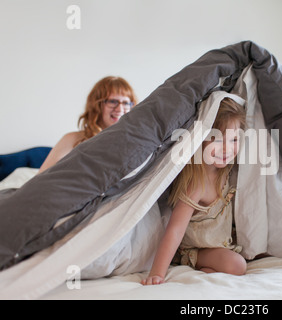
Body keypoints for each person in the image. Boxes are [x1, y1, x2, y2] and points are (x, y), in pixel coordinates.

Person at [141, 97, 247, 285]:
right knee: (237, 265)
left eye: (234, 139)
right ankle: (193, 262)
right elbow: (175, 229)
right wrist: (157, 273)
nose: (227, 149)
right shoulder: (196, 183)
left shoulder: (229, 170)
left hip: (219, 243)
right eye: (217, 140)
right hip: (195, 249)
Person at [39, 76, 137, 173]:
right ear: (97, 105)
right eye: (112, 101)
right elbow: (41, 179)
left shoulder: (134, 145)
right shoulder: (72, 140)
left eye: (126, 103)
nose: (120, 109)